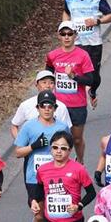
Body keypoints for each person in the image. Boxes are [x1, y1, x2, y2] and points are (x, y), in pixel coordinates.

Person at [61, 0, 111, 109]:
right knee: (76, 72)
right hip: (76, 43)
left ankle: (92, 91)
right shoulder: (70, 0)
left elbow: (110, 16)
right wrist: (65, 26)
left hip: (93, 43)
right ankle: (76, 100)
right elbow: (66, 12)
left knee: (94, 76)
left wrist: (97, 21)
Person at [46, 21, 95, 163]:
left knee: (77, 139)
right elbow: (48, 72)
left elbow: (90, 79)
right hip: (59, 105)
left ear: (75, 35)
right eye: (63, 34)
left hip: (77, 105)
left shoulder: (83, 55)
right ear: (59, 36)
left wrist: (74, 76)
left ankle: (80, 161)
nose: (66, 37)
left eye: (70, 34)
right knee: (57, 139)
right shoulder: (52, 55)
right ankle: (58, 164)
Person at [30, 131, 95, 222]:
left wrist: (79, 206)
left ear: (70, 150)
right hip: (50, 220)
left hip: (74, 220)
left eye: (63, 148)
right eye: (55, 147)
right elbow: (39, 191)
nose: (58, 151)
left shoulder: (78, 169)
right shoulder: (42, 169)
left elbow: (91, 193)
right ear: (51, 148)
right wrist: (34, 201)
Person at [10, 71, 72, 139]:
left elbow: (66, 130)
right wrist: (21, 143)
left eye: (51, 83)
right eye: (44, 82)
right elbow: (14, 126)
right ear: (36, 84)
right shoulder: (26, 105)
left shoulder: (61, 107)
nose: (48, 86)